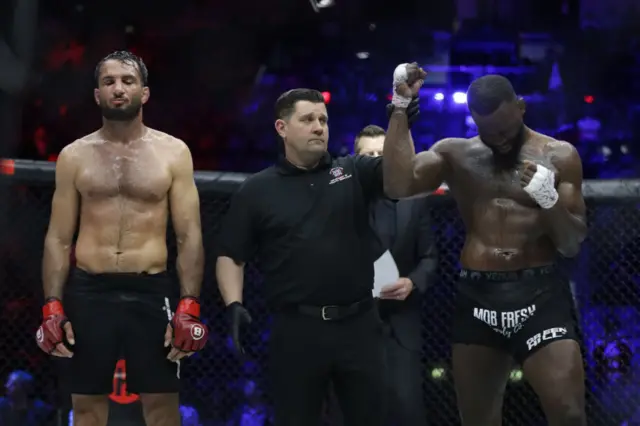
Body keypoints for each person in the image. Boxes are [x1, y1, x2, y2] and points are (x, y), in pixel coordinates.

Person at [383, 65, 588, 426]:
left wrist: (549, 198)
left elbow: (571, 243)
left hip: (539, 294)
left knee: (569, 413)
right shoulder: (457, 154)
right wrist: (400, 106)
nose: (501, 140)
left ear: (521, 108)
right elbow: (399, 186)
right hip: (479, 296)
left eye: (506, 130)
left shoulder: (559, 156)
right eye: (489, 132)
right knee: (477, 420)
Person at [35, 50, 209, 426]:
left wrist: (189, 304)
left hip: (151, 288)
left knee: (162, 406)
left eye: (128, 81)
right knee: (85, 407)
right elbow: (58, 238)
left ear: (144, 92)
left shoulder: (174, 153)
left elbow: (189, 235)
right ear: (96, 94)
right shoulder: (74, 156)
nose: (118, 89)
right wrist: (52, 305)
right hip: (89, 289)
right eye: (109, 81)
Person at [216, 88, 387, 426]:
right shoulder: (257, 190)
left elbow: (399, 173)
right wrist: (233, 304)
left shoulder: (353, 171)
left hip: (358, 326)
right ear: (282, 128)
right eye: (307, 119)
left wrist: (400, 110)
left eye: (323, 120)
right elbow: (231, 255)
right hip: (297, 331)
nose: (319, 127)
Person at [327, 124, 437, 426]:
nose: (376, 159)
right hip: (351, 322)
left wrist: (412, 282)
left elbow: (429, 257)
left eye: (381, 153)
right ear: (355, 159)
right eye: (368, 154)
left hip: (401, 323)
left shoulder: (414, 201)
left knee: (407, 409)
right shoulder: (338, 202)